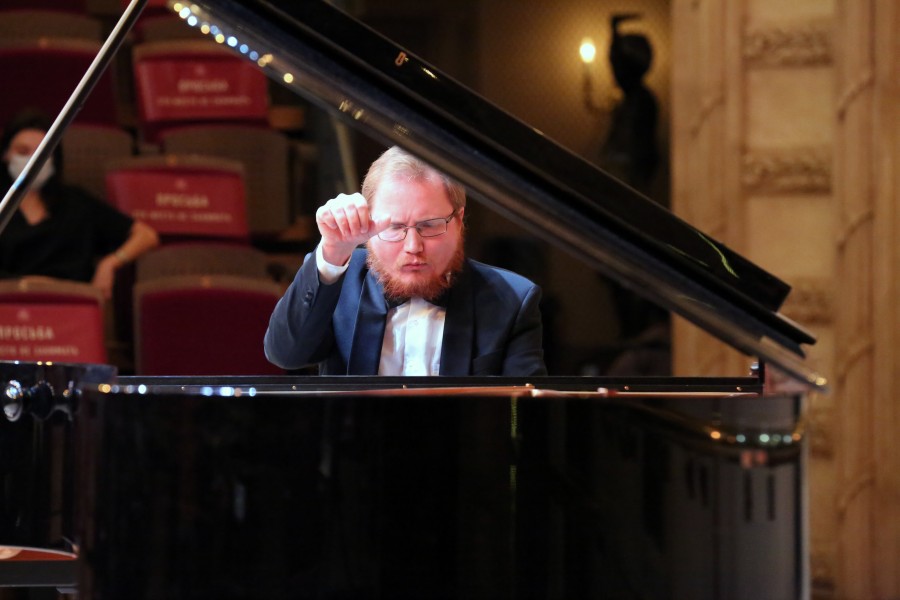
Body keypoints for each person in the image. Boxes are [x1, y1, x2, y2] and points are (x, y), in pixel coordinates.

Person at [265, 146, 547, 376]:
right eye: (394, 227)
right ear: (368, 223)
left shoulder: (512, 300)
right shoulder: (338, 278)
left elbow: (522, 417)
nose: (413, 247)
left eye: (430, 225)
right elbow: (285, 355)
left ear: (459, 221)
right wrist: (332, 253)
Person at [0, 109, 159, 299]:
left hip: (72, 305)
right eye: (23, 152)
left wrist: (109, 263)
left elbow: (146, 235)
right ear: (6, 154)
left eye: (43, 152)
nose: (33, 161)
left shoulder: (77, 202)